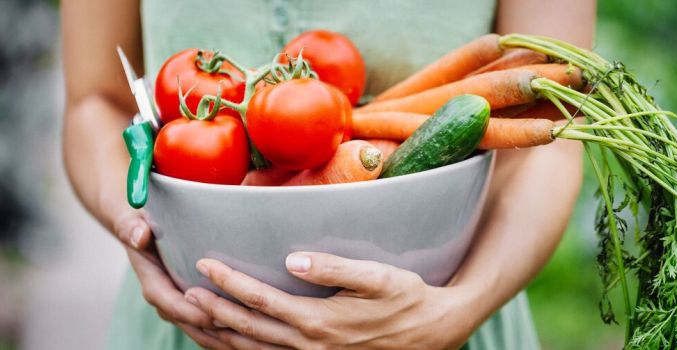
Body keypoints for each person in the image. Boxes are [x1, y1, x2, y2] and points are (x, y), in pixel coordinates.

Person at [61, 0, 595, 348]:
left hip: (434, 322)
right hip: (196, 317)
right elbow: (94, 101)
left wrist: (459, 309)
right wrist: (134, 224)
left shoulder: (449, 316)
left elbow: (553, 142)